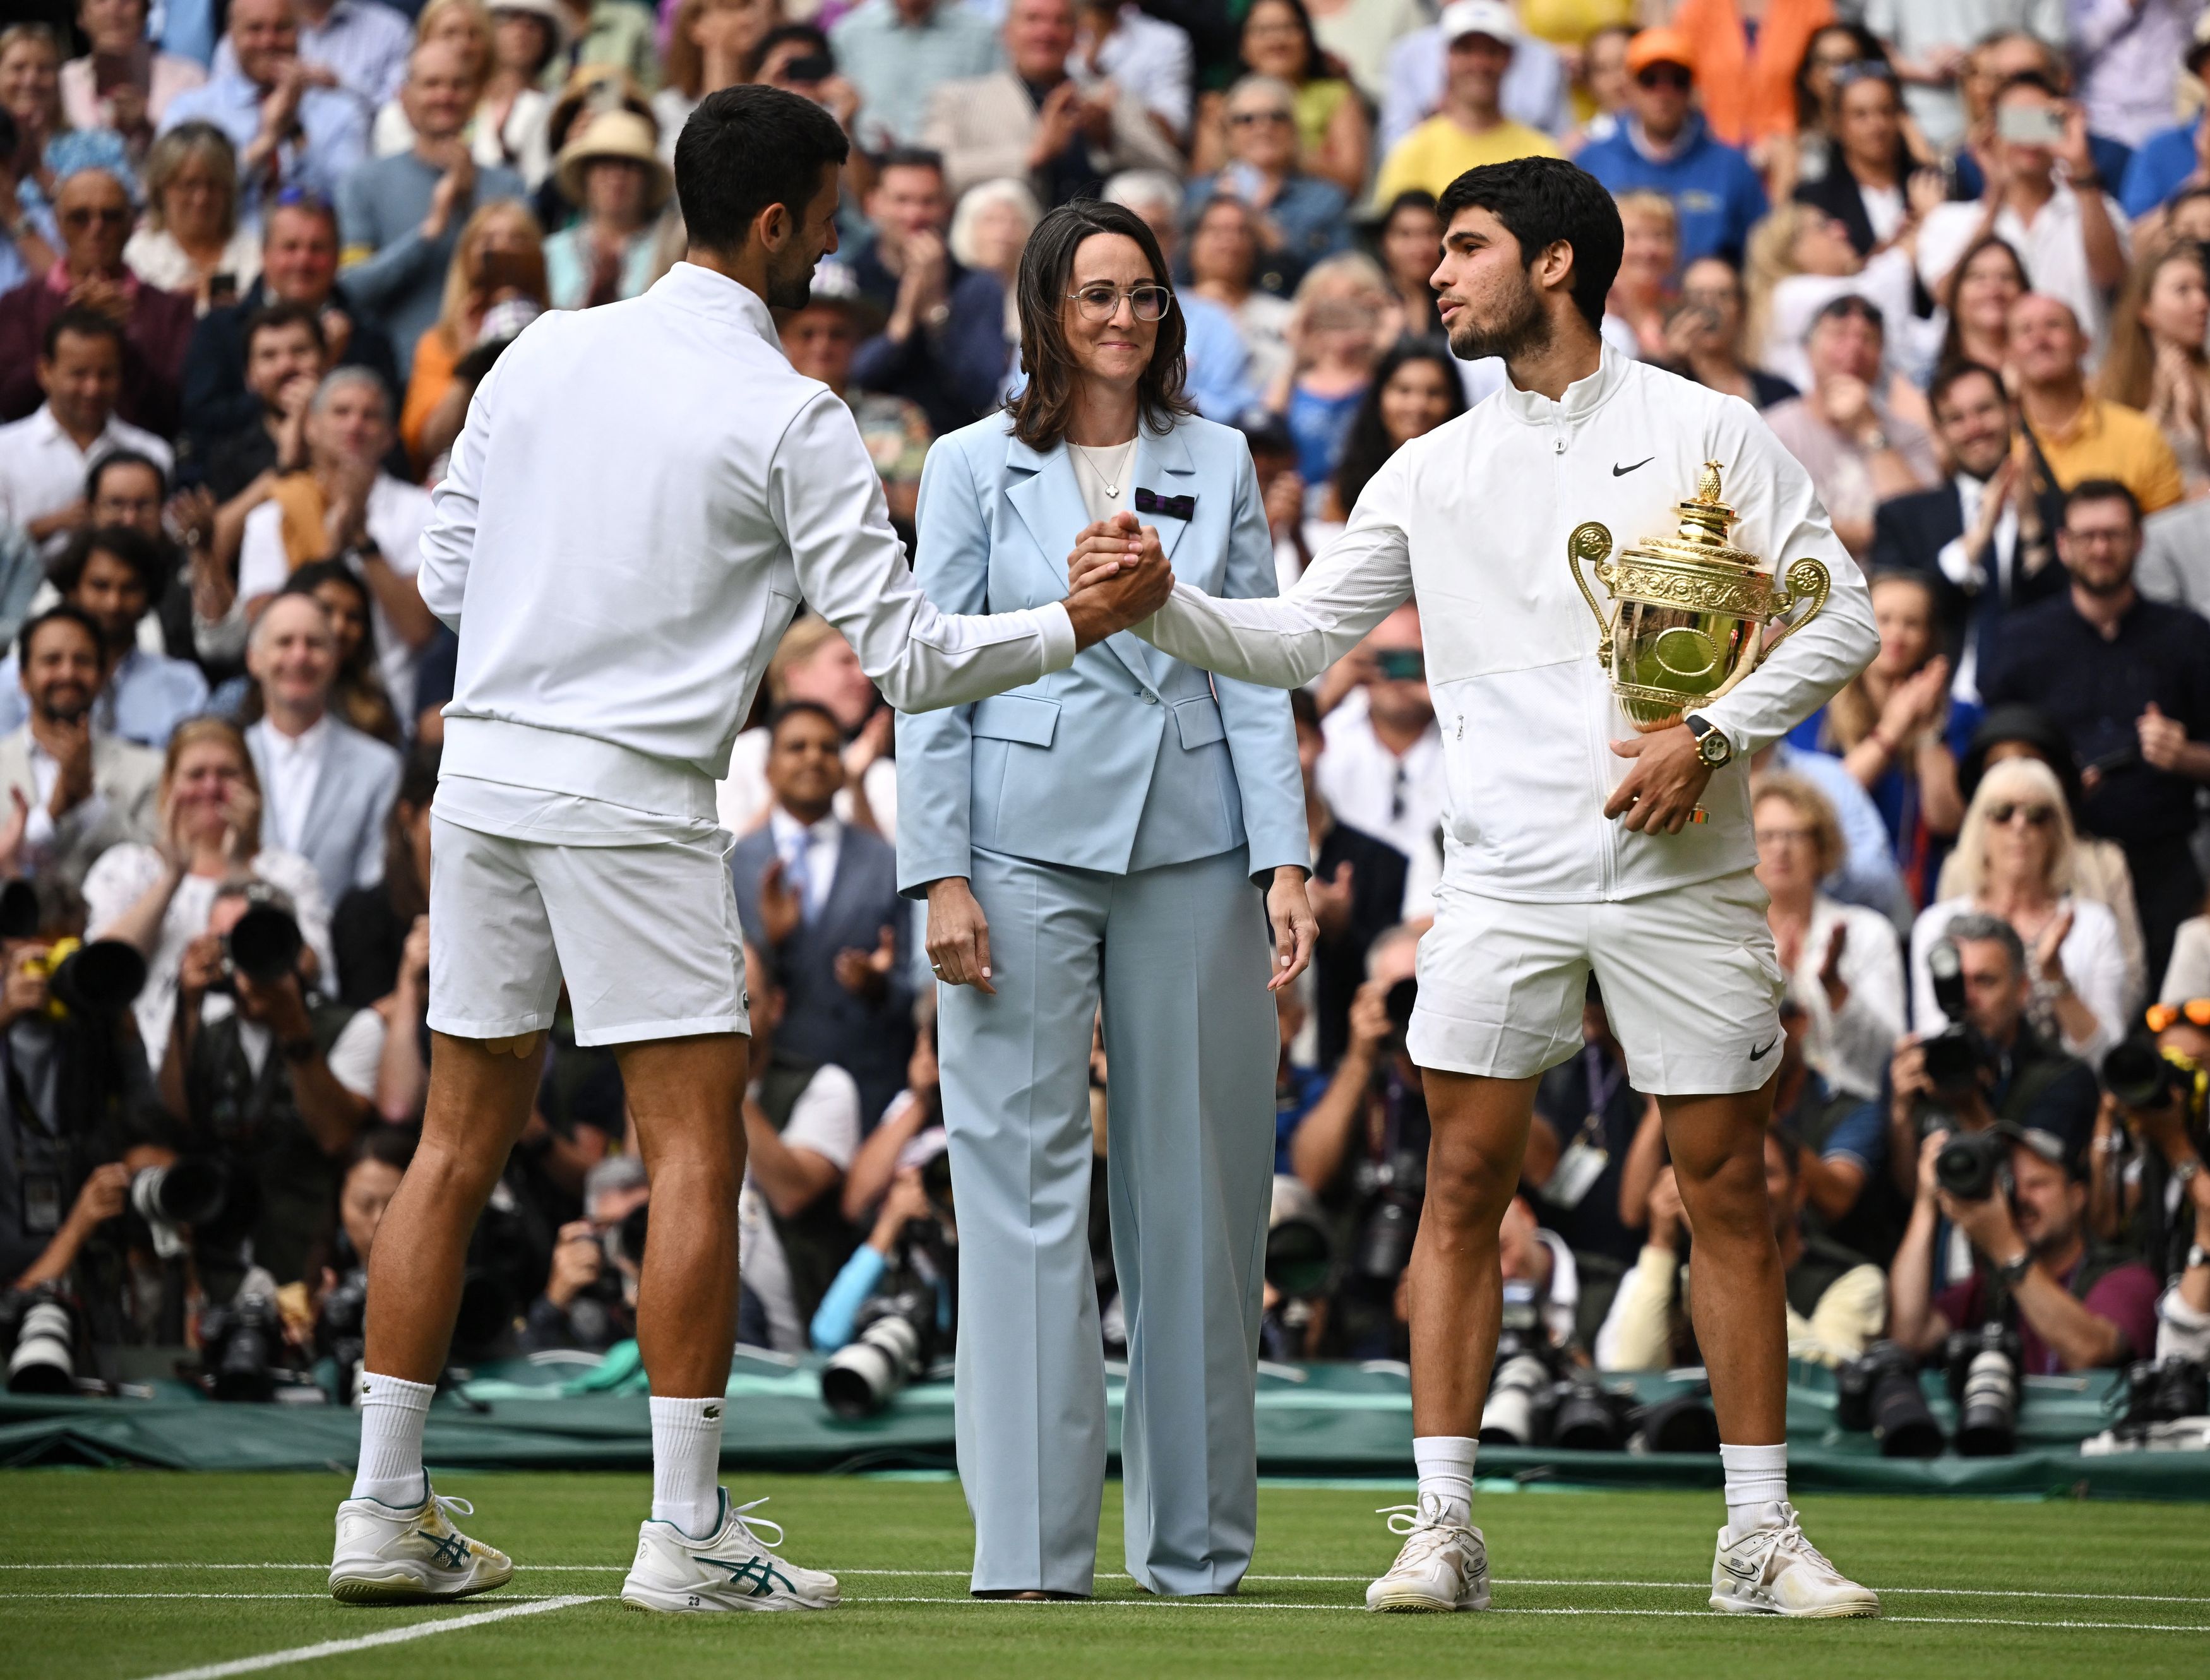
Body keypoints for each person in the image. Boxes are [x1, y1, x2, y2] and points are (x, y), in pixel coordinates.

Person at [325, 84, 1171, 1614]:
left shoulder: (543, 347)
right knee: (697, 1152)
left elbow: (449, 574)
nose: (839, 243)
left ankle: (380, 1507)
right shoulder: (791, 414)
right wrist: (1078, 622)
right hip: (634, 798)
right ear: (775, 224)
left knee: (453, 1144)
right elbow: (907, 659)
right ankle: (687, 1530)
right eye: (832, 218)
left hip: (489, 782)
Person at [1090, 154, 1881, 1616]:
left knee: (1727, 1191)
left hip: (1684, 874)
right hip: (1503, 881)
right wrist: (1165, 605)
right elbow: (1289, 642)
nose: (1436, 274)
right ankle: (1444, 1527)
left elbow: (1848, 621)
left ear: (1559, 266)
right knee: (1460, 1182)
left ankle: (1758, 1537)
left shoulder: (1711, 432)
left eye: (1465, 249)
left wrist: (1712, 734)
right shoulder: (1429, 467)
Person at [898, 196, 1308, 1600]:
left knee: (1199, 1195)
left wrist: (1285, 860)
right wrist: (938, 870)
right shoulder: (965, 465)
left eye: (1142, 293)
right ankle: (1025, 1549)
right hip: (1013, 849)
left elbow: (1253, 663)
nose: (1123, 317)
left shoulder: (1223, 455)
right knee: (1013, 1190)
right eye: (1095, 295)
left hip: (1194, 844)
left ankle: (1193, 1549)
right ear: (1044, 311)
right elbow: (931, 675)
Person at [1980, 479, 2210, 984]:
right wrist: (2053, 784)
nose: (2101, 548)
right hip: (2056, 858)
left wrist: (2185, 755)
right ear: (2063, 544)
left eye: (2114, 534)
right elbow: (1991, 754)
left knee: (2173, 1010)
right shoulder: (2022, 640)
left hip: (2164, 858)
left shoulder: (2187, 635)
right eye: (2087, 536)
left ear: (2139, 540)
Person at [85, 715, 332, 1063]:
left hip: (268, 1071)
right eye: (196, 774)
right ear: (168, 786)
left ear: (253, 784)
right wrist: (171, 877)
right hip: (149, 1075)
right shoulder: (126, 867)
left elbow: (307, 969)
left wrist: (239, 871)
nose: (212, 788)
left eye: (227, 774)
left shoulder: (289, 873)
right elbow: (104, 973)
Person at [730, 701, 914, 1133]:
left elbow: (913, 982)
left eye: (828, 748)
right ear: (769, 766)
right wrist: (768, 939)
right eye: (798, 747)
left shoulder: (887, 861)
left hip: (869, 1084)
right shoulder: (734, 863)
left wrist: (877, 984)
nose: (814, 757)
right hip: (768, 1094)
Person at [236, 367, 434, 724]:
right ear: (310, 427)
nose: (355, 426)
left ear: (390, 436)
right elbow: (265, 630)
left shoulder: (422, 510)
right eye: (341, 412)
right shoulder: (269, 518)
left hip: (393, 709)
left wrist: (361, 539)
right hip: (297, 713)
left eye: (370, 416)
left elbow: (419, 629)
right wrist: (332, 545)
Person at [1598, 1130, 1887, 1371]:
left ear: (1798, 1192)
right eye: (1729, 1176)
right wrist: (1661, 1244)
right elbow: (1633, 1370)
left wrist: (1730, 1256)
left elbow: (1822, 1374)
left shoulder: (1854, 1279)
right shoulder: (1685, 1270)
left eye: (1765, 1173)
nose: (1747, 1188)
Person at [1889, 1122, 2161, 1373]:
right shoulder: (1992, 1286)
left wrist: (2006, 1247)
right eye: (2010, 1184)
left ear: (2077, 1197)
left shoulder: (2127, 1277)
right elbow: (1909, 1336)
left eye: (2037, 1184)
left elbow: (2091, 1354)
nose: (2020, 1197)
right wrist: (1926, 1202)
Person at [1911, 755, 2129, 1062]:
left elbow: (2109, 1054)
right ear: (1979, 827)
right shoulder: (1937, 924)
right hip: (1967, 1092)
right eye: (2001, 813)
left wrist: (2055, 979)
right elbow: (1932, 1034)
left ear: (2057, 831)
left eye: (2038, 814)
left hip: (2068, 1095)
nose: (2019, 825)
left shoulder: (2093, 924)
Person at [1868, 359, 2065, 698]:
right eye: (1956, 419)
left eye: (1985, 410)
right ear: (1940, 433)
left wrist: (2032, 524)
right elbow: (1905, 613)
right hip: (1931, 701)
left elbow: (2064, 612)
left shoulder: (2061, 512)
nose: (1974, 427)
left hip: (2037, 700)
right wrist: (1976, 541)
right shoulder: (1903, 518)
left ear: (2013, 412)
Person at [337, 40, 529, 381]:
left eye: (458, 85)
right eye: (431, 84)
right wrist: (429, 232)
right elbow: (353, 290)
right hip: (395, 375)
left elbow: (528, 285)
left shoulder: (508, 187)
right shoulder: (364, 182)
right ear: (405, 99)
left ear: (476, 99)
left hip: (493, 374)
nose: (445, 96)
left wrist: (473, 209)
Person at [1913, 73, 2130, 361]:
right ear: (1992, 131)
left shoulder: (2096, 207)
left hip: (2084, 384)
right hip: (1990, 393)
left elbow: (2111, 275)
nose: (2030, 139)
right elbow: (1947, 296)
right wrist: (1994, 197)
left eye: (2041, 123)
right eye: (2018, 123)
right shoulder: (1949, 221)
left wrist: (2081, 166)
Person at [177, 195, 403, 458]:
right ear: (264, 254)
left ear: (338, 255)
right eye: (290, 247)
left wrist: (330, 372)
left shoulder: (368, 334)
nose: (303, 261)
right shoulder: (218, 329)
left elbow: (386, 427)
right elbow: (201, 423)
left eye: (317, 248)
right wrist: (275, 397)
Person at [1789, 569, 1967, 882]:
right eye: (1883, 620)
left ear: (1930, 637)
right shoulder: (1814, 706)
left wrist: (1927, 727)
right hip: (1838, 884)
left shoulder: (1960, 715)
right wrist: (1892, 731)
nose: (1897, 634)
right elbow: (1819, 806)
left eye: (1912, 623)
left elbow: (1947, 821)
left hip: (1922, 887)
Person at [919, 0, 1181, 207]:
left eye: (1060, 21)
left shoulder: (1107, 97)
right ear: (1005, 33)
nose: (1046, 32)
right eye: (1033, 19)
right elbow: (931, 176)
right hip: (1004, 256)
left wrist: (1109, 137)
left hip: (1099, 248)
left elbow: (1173, 171)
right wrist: (1031, 155)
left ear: (1078, 35)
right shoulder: (960, 99)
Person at [0, 168, 198, 436]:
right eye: (80, 218)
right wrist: (73, 327)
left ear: (130, 225)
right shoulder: (18, 307)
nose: (97, 228)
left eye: (112, 217)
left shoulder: (173, 312)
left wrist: (124, 339)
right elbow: (11, 404)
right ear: (58, 225)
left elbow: (172, 413)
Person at [244, 588, 403, 907]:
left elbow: (373, 888)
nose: (299, 656)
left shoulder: (378, 767)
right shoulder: (226, 765)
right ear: (254, 659)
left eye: (314, 644)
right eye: (284, 642)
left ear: (335, 659)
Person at [1753, 772, 1904, 1104]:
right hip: (1758, 1112)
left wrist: (1836, 989)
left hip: (1851, 1103)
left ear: (1821, 845)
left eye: (1794, 835)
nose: (1780, 848)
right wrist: (1776, 983)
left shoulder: (1867, 932)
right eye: (1766, 836)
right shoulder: (1729, 938)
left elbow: (1888, 1055)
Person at [0, 604, 160, 909]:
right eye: (51, 660)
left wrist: (90, 803)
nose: (67, 673)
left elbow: (159, 871)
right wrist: (49, 818)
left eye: (82, 661)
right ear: (23, 678)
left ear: (102, 677)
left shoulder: (149, 769)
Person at [842, 149, 1007, 440]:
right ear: (873, 204)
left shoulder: (977, 286)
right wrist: (904, 319)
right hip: (860, 443)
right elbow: (848, 377)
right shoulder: (849, 277)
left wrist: (936, 312)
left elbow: (982, 392)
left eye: (928, 202)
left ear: (948, 208)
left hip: (949, 445)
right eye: (902, 200)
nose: (914, 215)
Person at [1572, 27, 1767, 270]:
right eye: (1650, 80)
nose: (1664, 93)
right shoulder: (1592, 161)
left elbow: (1762, 259)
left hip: (1706, 303)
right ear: (1630, 86)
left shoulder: (1733, 167)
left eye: (1678, 80)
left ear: (1693, 89)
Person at [1762, 295, 1938, 559]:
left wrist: (1870, 429)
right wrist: (1877, 535)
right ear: (1809, 349)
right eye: (1839, 335)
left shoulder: (1910, 436)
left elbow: (1921, 529)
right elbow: (1769, 526)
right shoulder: (1771, 430)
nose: (1855, 348)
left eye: (1868, 339)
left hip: (1888, 585)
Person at [159, 0, 373, 215]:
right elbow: (177, 199)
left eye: (281, 28)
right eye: (255, 29)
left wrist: (298, 135)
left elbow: (352, 206)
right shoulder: (191, 110)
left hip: (307, 247)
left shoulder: (341, 112)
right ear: (231, 35)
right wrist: (266, 142)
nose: (268, 41)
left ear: (299, 31)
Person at [0, 525, 206, 746]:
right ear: (73, 591)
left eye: (130, 588)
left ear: (149, 596)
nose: (114, 603)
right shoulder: (15, 680)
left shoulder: (183, 685)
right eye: (100, 586)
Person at [1291, 686, 1407, 1071]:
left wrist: (1341, 928)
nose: (1284, 762)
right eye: (1264, 750)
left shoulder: (1379, 861)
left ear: (1322, 741)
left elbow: (1392, 985)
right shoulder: (1221, 863)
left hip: (1346, 1072)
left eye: (1297, 742)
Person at [0, 310, 172, 564]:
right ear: (46, 372)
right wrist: (53, 524)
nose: (93, 388)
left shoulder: (152, 452)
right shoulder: (5, 450)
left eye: (105, 375)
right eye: (79, 374)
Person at [393, 197, 544, 462]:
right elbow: (431, 444)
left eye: (517, 240)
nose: (502, 251)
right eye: (488, 241)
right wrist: (470, 360)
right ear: (466, 256)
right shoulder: (438, 343)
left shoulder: (565, 328)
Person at [1315, 602, 1443, 913]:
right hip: (1354, 913)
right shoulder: (1331, 733)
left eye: (1412, 660)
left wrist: (1445, 697)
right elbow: (1285, 764)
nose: (1398, 676)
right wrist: (1327, 696)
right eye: (1384, 660)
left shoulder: (1465, 733)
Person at [779, 268, 932, 527]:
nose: (823, 345)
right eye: (807, 334)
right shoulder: (763, 417)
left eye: (837, 334)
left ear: (858, 342)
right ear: (784, 341)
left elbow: (922, 508)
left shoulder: (900, 416)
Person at [2009, 292, 2182, 517]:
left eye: (2053, 325)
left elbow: (2166, 538)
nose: (2040, 340)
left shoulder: (2140, 435)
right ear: (2009, 352)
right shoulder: (1997, 443)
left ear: (2085, 343)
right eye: (2026, 330)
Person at [1371, 3, 1560, 207]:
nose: (1479, 63)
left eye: (1491, 51)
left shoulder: (1543, 152)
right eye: (1466, 50)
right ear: (1447, 58)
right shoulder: (1411, 152)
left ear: (1509, 58)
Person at [1198, 0, 1369, 201]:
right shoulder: (1220, 104)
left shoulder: (1338, 95)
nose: (1277, 40)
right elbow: (1201, 185)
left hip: (1314, 211)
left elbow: (1352, 182)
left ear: (1308, 38)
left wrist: (1287, 154)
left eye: (1289, 28)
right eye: (1263, 30)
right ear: (1242, 46)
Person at [1184, 74, 1349, 271]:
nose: (1263, 128)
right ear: (1227, 133)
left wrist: (1253, 219)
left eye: (1277, 117)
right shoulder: (1198, 195)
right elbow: (1178, 272)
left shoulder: (1326, 200)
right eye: (1246, 120)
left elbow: (1336, 277)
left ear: (1294, 129)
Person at [2094, 241, 2210, 499]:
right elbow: (2111, 471)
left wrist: (2194, 415)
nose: (2202, 303)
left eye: (2204, 290)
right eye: (2183, 291)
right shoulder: (2111, 382)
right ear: (2145, 308)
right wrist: (2159, 404)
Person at [1789, 62, 1924, 261]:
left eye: (1886, 111)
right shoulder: (1814, 201)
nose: (1876, 126)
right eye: (1860, 115)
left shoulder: (1930, 184)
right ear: (1837, 124)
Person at [1323, 338, 1465, 524]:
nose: (1418, 406)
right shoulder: (1350, 477)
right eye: (1404, 390)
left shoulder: (1467, 476)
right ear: (1380, 396)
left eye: (1434, 393)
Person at [830, 0, 1000, 155]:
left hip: (952, 163)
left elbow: (994, 106)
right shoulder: (849, 32)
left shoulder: (980, 35)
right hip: (868, 163)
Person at [124, 122, 261, 313]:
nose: (201, 199)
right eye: (189, 185)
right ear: (161, 189)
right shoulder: (138, 259)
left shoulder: (255, 254)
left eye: (213, 184)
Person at [542, 108, 671, 309]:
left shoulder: (670, 252)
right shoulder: (551, 253)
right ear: (586, 176)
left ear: (647, 180)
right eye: (605, 163)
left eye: (629, 165)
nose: (617, 177)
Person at [1183, 197, 1298, 396]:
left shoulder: (1285, 317)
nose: (1230, 242)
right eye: (1216, 231)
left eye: (1242, 232)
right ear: (1192, 243)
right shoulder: (1164, 308)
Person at [63, 0, 208, 145]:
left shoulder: (189, 80)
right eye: (101, 1)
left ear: (145, 12)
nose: (114, 9)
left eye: (126, 1)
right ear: (81, 16)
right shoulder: (63, 83)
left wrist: (148, 127)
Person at [1662, 254, 1795, 410]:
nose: (1710, 306)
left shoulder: (1778, 393)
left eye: (1723, 295)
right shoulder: (1661, 379)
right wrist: (1672, 366)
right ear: (1681, 306)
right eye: (1698, 296)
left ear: (1741, 309)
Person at [1933, 234, 2026, 377]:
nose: (1993, 290)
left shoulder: (2054, 372)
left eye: (2006, 277)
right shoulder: (1925, 378)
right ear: (1955, 295)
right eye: (1978, 278)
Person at [1606, 188, 1676, 362]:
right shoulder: (1586, 310)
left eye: (1659, 236)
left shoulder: (1681, 310)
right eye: (1634, 236)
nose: (1648, 250)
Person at [1371, 189, 1443, 338]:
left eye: (1430, 233)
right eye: (1406, 234)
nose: (1419, 246)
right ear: (1384, 242)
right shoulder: (1369, 300)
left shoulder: (1457, 298)